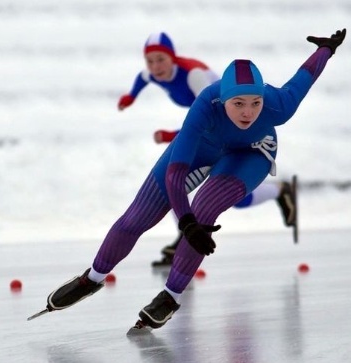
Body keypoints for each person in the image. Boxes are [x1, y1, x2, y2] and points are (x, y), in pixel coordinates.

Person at [43, 29, 347, 330]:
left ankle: (171, 296)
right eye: (238, 103)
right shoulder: (204, 106)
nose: (248, 113)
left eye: (255, 102)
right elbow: (175, 174)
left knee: (204, 209)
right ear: (222, 100)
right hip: (205, 146)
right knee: (138, 217)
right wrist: (184, 223)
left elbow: (305, 75)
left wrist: (326, 48)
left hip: (250, 153)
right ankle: (92, 278)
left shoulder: (279, 104)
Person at [117, 32, 297, 267]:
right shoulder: (152, 73)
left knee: (232, 199)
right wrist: (131, 96)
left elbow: (204, 121)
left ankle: (280, 190)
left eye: (161, 59)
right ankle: (185, 235)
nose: (155, 66)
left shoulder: (195, 77)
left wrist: (172, 135)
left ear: (173, 57)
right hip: (210, 133)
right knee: (174, 186)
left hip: (228, 129)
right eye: (150, 61)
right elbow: (142, 78)